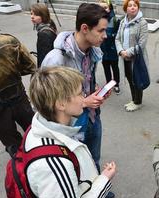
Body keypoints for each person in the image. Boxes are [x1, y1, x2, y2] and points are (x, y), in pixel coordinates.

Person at [42, 3, 111, 185]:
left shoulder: (93, 51)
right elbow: (45, 103)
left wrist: (96, 91)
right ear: (85, 28)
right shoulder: (56, 59)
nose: (105, 35)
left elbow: (84, 82)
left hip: (93, 118)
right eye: (101, 30)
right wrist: (84, 102)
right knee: (75, 166)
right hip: (70, 127)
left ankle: (98, 187)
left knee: (93, 158)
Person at [27, 66, 116, 198]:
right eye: (80, 93)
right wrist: (103, 180)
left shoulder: (46, 127)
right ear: (61, 104)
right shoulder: (54, 165)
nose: (84, 97)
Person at [0, 33, 36, 148]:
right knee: (34, 134)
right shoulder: (9, 40)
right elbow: (30, 66)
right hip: (18, 96)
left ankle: (21, 163)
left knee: (13, 145)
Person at [115, 0, 148, 112]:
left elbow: (142, 44)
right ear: (126, 9)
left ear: (138, 8)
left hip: (136, 58)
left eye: (135, 5)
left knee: (137, 79)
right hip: (124, 57)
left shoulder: (142, 23)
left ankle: (138, 102)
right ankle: (134, 99)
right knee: (130, 78)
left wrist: (127, 52)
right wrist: (120, 51)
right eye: (130, 5)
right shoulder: (122, 22)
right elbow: (117, 39)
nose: (133, 7)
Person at [99, 0, 121, 94]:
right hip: (103, 48)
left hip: (112, 48)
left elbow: (118, 34)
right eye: (101, 8)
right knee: (106, 67)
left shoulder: (115, 19)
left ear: (110, 8)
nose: (103, 10)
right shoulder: (98, 19)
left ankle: (116, 84)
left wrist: (111, 35)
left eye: (105, 7)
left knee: (115, 67)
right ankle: (108, 84)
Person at [30, 3, 57, 68]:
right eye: (31, 14)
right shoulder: (50, 23)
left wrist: (40, 73)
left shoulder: (44, 34)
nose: (32, 17)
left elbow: (43, 58)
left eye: (36, 15)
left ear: (43, 15)